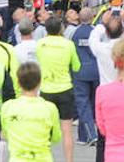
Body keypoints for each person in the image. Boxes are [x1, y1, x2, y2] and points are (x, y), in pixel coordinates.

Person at [35, 15, 79, 162]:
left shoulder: (40, 44)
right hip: (65, 88)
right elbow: (76, 67)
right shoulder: (68, 44)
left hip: (46, 90)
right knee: (66, 130)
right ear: (61, 28)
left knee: (45, 130)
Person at [0, 62, 62, 162]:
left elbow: (6, 132)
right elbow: (56, 137)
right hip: (43, 158)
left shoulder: (7, 107)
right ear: (39, 82)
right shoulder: (50, 108)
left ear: (19, 83)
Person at [70, 7, 99, 146]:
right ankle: (83, 136)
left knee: (83, 104)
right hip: (96, 71)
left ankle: (91, 134)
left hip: (80, 71)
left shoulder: (74, 33)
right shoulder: (95, 32)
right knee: (92, 103)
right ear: (92, 17)